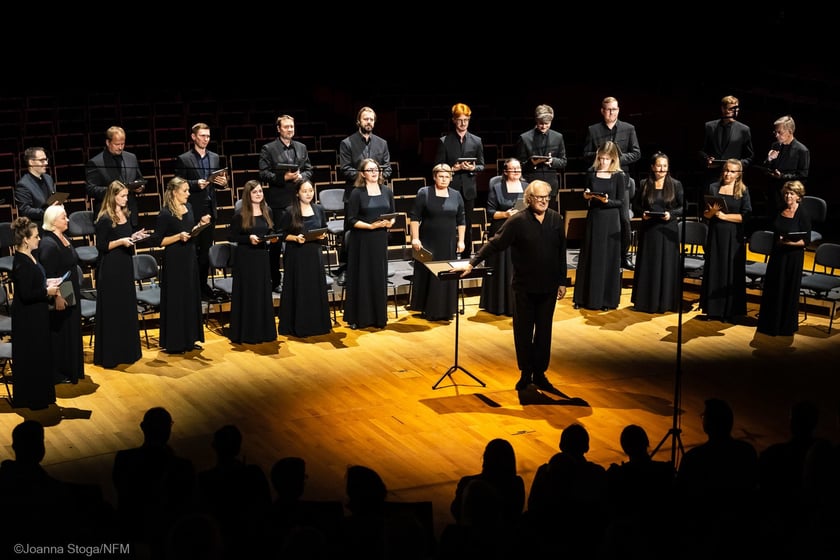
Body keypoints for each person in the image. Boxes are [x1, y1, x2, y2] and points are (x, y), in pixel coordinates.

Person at [462, 180, 567, 393]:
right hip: (524, 287)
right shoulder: (518, 221)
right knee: (523, 331)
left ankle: (540, 373)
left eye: (547, 197)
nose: (544, 201)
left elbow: (561, 252)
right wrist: (473, 262)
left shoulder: (556, 219)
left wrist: (562, 281)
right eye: (539, 198)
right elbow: (496, 243)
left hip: (548, 287)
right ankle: (525, 373)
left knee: (544, 332)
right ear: (529, 199)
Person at [112, 406, 196, 554]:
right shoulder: (183, 466)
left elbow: (122, 490)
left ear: (143, 427)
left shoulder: (123, 459)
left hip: (131, 531)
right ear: (169, 430)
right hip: (167, 533)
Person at [583, 97, 641, 270]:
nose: (611, 112)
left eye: (614, 109)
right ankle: (599, 254)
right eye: (608, 109)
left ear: (618, 110)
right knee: (598, 217)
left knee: (624, 219)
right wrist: (601, 156)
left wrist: (615, 159)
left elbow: (637, 153)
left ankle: (623, 256)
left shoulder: (628, 128)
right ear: (602, 110)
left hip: (620, 180)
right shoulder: (593, 130)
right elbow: (585, 154)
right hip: (600, 178)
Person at [93, 181, 146, 369]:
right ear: (113, 195)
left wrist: (135, 237)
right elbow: (101, 246)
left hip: (124, 264)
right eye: (122, 196)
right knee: (114, 308)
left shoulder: (124, 213)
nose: (126, 199)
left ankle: (128, 351)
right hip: (111, 267)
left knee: (126, 306)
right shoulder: (105, 218)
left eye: (126, 195)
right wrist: (120, 241)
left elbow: (126, 236)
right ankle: (112, 354)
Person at [336, 107, 393, 282]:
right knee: (350, 232)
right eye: (365, 119)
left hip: (377, 195)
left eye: (371, 119)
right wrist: (366, 176)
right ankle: (346, 268)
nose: (369, 122)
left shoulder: (382, 143)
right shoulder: (347, 143)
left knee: (379, 230)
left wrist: (375, 178)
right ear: (358, 121)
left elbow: (387, 168)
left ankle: (378, 266)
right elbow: (345, 169)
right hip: (355, 193)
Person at [259, 115, 314, 292]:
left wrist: (301, 177)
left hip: (299, 201)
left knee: (300, 238)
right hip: (279, 202)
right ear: (279, 129)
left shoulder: (301, 147)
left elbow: (309, 170)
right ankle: (275, 280)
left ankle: (299, 276)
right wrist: (284, 178)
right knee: (277, 242)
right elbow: (263, 174)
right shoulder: (268, 149)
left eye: (292, 126)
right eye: (286, 127)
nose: (290, 129)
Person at [153, 176, 209, 354]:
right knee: (177, 299)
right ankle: (176, 342)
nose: (188, 193)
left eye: (188, 190)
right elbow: (159, 241)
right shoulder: (165, 214)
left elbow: (191, 231)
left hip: (189, 256)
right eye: (185, 191)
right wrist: (178, 237)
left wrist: (200, 225)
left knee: (190, 296)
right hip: (175, 260)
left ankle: (190, 338)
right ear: (174, 192)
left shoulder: (189, 207)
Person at [174, 122, 229, 301]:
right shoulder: (184, 159)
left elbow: (219, 182)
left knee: (205, 252)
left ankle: (202, 286)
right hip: (192, 210)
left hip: (209, 209)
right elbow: (177, 184)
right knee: (192, 251)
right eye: (203, 136)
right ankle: (191, 287)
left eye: (208, 136)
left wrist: (224, 183)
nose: (206, 139)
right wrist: (195, 184)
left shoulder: (214, 157)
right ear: (194, 137)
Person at [10, 217, 60, 409]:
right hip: (28, 318)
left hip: (37, 314)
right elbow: (26, 294)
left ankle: (43, 396)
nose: (39, 239)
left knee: (41, 354)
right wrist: (46, 291)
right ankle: (33, 398)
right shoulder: (21, 262)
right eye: (36, 236)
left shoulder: (32, 256)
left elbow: (34, 283)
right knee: (33, 356)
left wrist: (47, 283)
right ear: (26, 240)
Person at [408, 163, 466, 321]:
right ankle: (428, 309)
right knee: (428, 274)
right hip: (427, 241)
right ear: (434, 177)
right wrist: (415, 238)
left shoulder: (456, 195)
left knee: (446, 274)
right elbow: (414, 217)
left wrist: (461, 241)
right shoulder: (424, 193)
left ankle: (445, 310)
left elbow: (461, 219)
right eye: (441, 176)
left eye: (447, 176)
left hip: (448, 242)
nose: (444, 179)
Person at [573, 141, 626, 312]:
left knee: (607, 258)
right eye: (601, 158)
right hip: (595, 217)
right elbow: (586, 191)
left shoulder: (619, 175)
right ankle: (583, 297)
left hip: (611, 220)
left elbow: (620, 202)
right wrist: (587, 195)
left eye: (606, 159)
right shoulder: (592, 172)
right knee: (590, 255)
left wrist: (607, 200)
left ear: (613, 159)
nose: (603, 162)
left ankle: (606, 300)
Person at [342, 159, 395, 330]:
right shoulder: (357, 193)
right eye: (370, 170)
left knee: (378, 277)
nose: (374, 172)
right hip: (362, 241)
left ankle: (378, 317)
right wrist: (370, 226)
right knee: (362, 277)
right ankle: (359, 318)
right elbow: (351, 220)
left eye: (376, 169)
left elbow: (393, 214)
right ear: (363, 174)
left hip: (380, 240)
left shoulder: (387, 191)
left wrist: (390, 222)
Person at [630, 151, 684, 314]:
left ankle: (666, 302)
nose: (661, 169)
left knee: (666, 265)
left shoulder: (676, 184)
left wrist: (671, 214)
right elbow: (636, 205)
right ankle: (647, 302)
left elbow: (683, 207)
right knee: (649, 264)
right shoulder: (645, 183)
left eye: (665, 166)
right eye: (659, 165)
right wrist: (643, 214)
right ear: (653, 167)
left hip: (668, 231)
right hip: (650, 230)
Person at [277, 180, 332, 337]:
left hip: (314, 253)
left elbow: (324, 227)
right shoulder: (289, 211)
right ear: (297, 193)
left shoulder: (319, 209)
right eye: (304, 191)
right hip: (297, 254)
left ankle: (317, 325)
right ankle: (298, 325)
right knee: (299, 288)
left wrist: (322, 234)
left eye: (310, 190)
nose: (308, 194)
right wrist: (295, 238)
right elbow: (280, 234)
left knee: (314, 288)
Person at [699, 158, 752, 321]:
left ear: (739, 174)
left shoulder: (742, 190)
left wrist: (725, 216)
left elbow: (746, 216)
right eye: (726, 170)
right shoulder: (714, 187)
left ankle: (730, 311)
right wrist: (712, 212)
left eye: (732, 171)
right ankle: (713, 310)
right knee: (714, 268)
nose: (728, 174)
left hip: (733, 236)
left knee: (731, 271)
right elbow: (706, 215)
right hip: (715, 234)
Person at [756, 180, 811, 336]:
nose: (788, 196)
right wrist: (780, 242)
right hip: (778, 255)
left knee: (787, 290)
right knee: (774, 287)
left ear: (798, 196)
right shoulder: (779, 209)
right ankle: (769, 324)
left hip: (793, 258)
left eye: (792, 193)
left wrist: (787, 242)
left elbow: (805, 241)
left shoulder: (803, 214)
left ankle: (785, 326)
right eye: (786, 193)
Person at [227, 180, 278, 344]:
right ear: (248, 195)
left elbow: (271, 230)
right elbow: (231, 236)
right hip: (246, 258)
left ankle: (263, 331)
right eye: (255, 192)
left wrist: (273, 237)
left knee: (261, 293)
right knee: (248, 294)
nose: (258, 194)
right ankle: (247, 332)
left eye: (260, 191)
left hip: (262, 257)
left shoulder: (267, 211)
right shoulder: (240, 214)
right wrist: (248, 238)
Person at [39, 204, 84, 384]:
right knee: (61, 331)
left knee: (71, 329)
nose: (67, 220)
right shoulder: (49, 244)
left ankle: (71, 368)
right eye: (63, 217)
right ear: (53, 222)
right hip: (61, 291)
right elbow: (50, 276)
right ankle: (59, 371)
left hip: (69, 288)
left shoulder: (63, 237)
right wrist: (58, 296)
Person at [435, 102, 485, 259]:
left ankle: (465, 256)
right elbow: (437, 166)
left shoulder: (476, 141)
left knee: (467, 224)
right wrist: (453, 168)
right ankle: (447, 253)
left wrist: (472, 168)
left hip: (469, 189)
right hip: (450, 188)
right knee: (448, 222)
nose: (463, 123)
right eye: (460, 120)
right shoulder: (445, 141)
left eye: (466, 120)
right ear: (454, 120)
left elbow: (482, 165)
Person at [479, 158, 527, 316]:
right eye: (512, 169)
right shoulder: (497, 187)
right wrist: (506, 214)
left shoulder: (527, 186)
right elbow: (491, 212)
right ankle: (498, 305)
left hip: (521, 231)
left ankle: (518, 304)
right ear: (505, 172)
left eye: (518, 169)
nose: (516, 172)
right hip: (501, 229)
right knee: (501, 267)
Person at [450, 438, 525, 526]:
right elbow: (515, 512)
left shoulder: (466, 482)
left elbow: (456, 510)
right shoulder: (516, 483)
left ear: (485, 458)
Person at [86, 126, 147, 227]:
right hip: (109, 216)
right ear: (108, 142)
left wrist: (140, 187)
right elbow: (90, 189)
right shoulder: (96, 162)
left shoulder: (131, 157)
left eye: (122, 144)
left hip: (130, 215)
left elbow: (139, 178)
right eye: (117, 144)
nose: (120, 147)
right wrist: (114, 192)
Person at [699, 95, 754, 196]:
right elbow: (701, 150)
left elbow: (749, 156)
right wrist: (707, 159)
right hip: (712, 176)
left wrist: (737, 166)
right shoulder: (710, 127)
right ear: (723, 109)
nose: (734, 112)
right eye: (731, 109)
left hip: (734, 179)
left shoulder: (744, 130)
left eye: (736, 109)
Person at [514, 104, 567, 209]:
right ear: (536, 120)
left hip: (550, 185)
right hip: (531, 184)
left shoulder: (558, 137)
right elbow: (519, 165)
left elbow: (563, 161)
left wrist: (552, 161)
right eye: (541, 123)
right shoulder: (525, 138)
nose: (543, 126)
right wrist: (531, 163)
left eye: (547, 124)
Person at [761, 115, 810, 218]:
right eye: (775, 132)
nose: (776, 135)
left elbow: (803, 175)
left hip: (789, 197)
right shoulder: (775, 145)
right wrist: (769, 159)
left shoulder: (801, 150)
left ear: (790, 131)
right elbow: (765, 169)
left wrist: (782, 176)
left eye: (780, 132)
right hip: (773, 194)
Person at [15, 146, 59, 223]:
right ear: (31, 162)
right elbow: (25, 211)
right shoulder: (23, 185)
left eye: (46, 160)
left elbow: (52, 199)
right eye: (42, 160)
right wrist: (48, 212)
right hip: (37, 227)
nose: (46, 163)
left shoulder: (48, 178)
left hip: (53, 223)